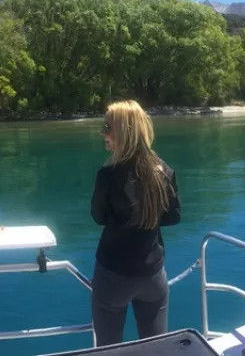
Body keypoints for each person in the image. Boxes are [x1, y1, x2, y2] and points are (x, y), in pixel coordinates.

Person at [89, 100, 181, 346]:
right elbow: (172, 217)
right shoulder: (165, 171)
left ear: (122, 131)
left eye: (106, 127)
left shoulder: (107, 175)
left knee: (109, 349)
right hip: (152, 276)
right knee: (155, 348)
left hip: (113, 277)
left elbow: (98, 217)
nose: (103, 134)